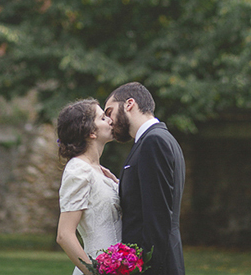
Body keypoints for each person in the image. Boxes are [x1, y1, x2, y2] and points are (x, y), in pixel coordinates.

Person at [104, 82, 186, 275]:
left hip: (155, 265)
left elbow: (157, 217)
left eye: (109, 112)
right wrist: (120, 184)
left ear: (129, 104)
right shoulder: (158, 139)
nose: (108, 121)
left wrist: (147, 268)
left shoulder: (153, 141)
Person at [56, 98, 122, 275]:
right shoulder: (78, 170)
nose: (110, 120)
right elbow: (64, 234)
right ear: (90, 133)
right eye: (102, 118)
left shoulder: (99, 171)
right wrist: (95, 272)